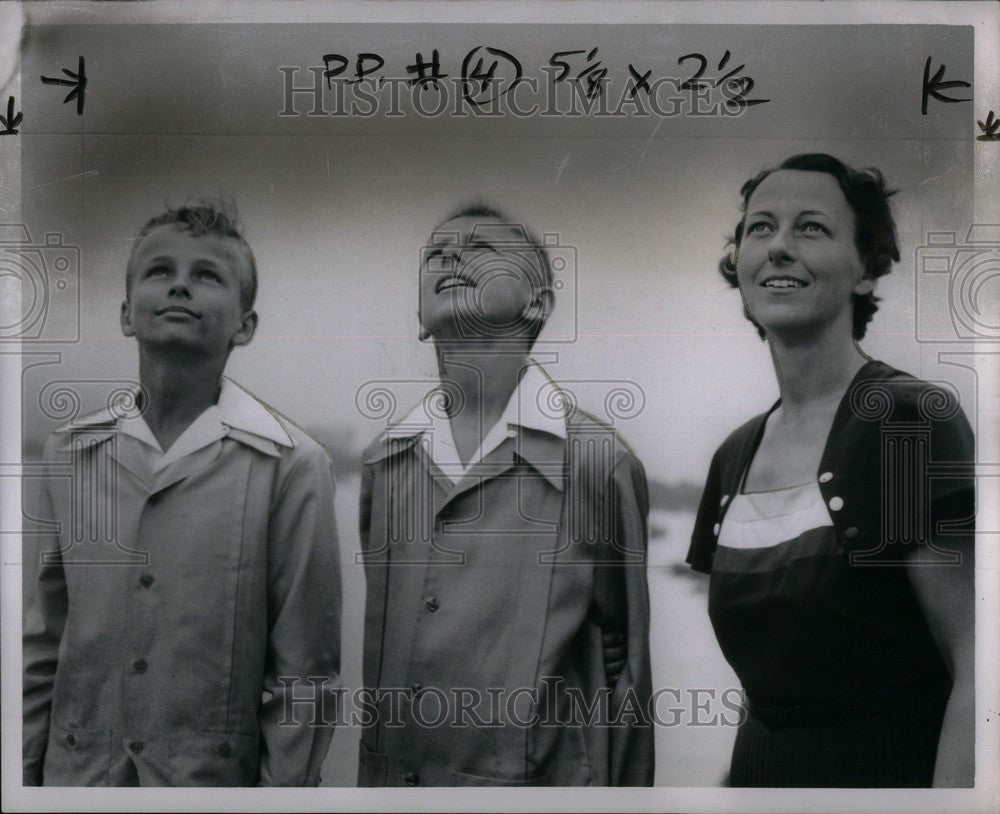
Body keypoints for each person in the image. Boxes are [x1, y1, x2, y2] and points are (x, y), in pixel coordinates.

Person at [22, 202, 342, 786]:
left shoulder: (294, 466)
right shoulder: (70, 453)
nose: (179, 287)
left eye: (207, 276)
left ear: (245, 326)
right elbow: (42, 644)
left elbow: (306, 676)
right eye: (159, 271)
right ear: (126, 314)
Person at [688, 154, 975, 787]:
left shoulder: (907, 422)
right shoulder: (733, 455)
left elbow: (981, 666)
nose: (779, 247)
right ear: (739, 263)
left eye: (811, 228)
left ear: (867, 271)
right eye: (759, 228)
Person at [357, 204, 654, 786]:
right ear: (420, 318)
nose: (449, 255)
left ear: (538, 302)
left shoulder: (597, 461)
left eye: (481, 248)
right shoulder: (384, 463)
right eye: (436, 250)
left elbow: (630, 679)